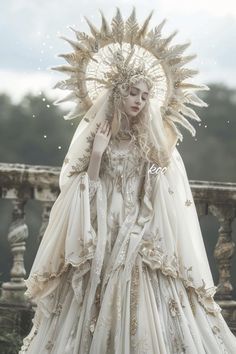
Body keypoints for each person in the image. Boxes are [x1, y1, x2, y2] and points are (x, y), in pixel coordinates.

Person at [19, 8, 236, 354]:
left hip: (139, 225)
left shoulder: (148, 141)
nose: (139, 101)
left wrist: (154, 169)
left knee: (139, 276)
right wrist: (97, 155)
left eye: (145, 95)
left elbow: (157, 188)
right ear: (118, 93)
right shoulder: (98, 134)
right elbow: (83, 188)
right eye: (133, 93)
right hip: (102, 224)